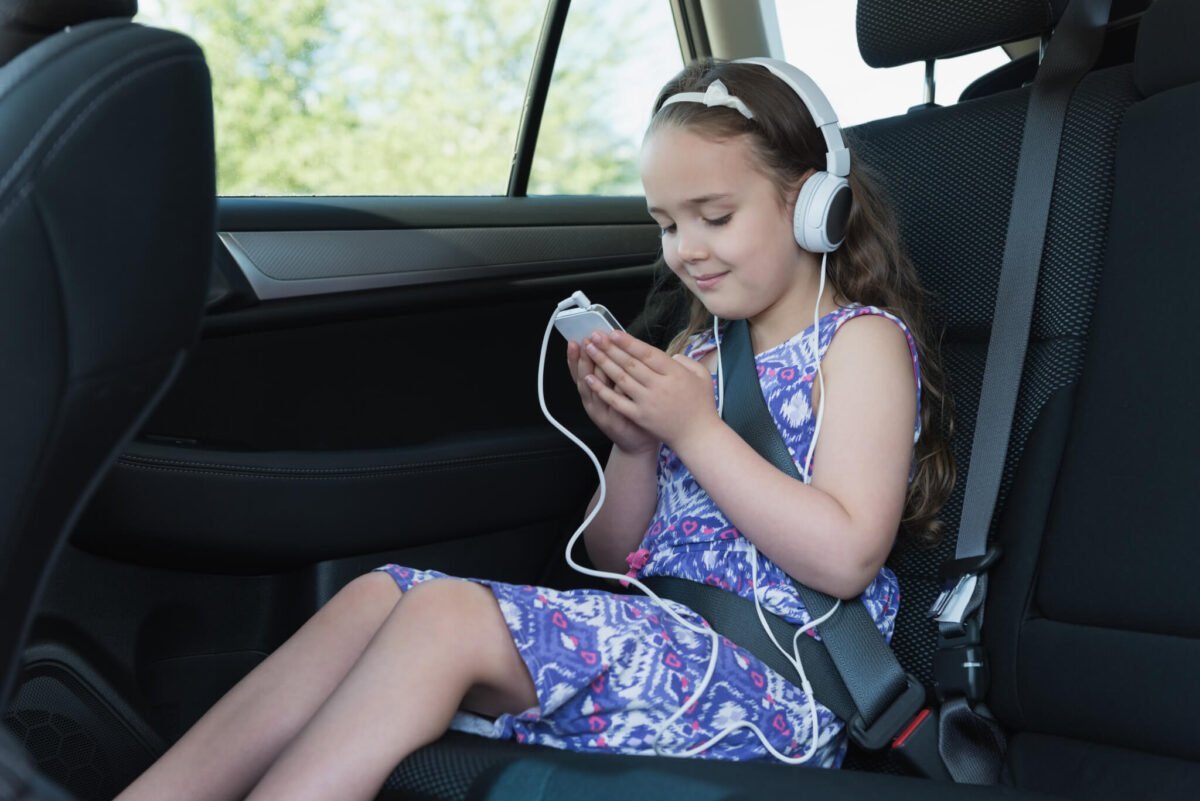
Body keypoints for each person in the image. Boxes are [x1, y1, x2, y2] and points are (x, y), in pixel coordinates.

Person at [114, 58, 953, 801]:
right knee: (379, 592)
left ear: (814, 205)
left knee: (445, 618)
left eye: (714, 216)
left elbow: (848, 555)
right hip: (660, 641)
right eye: (667, 223)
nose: (685, 250)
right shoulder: (698, 351)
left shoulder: (860, 343)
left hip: (772, 689)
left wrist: (695, 430)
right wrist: (633, 441)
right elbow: (612, 554)